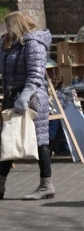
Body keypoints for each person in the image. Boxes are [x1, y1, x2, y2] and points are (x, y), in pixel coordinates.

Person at [0, 12, 53, 200]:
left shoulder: (33, 44)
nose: (6, 30)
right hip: (13, 97)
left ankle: (46, 184)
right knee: (9, 139)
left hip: (31, 99)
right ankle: (1, 184)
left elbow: (36, 74)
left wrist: (24, 97)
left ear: (16, 26)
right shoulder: (13, 44)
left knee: (40, 142)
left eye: (8, 27)